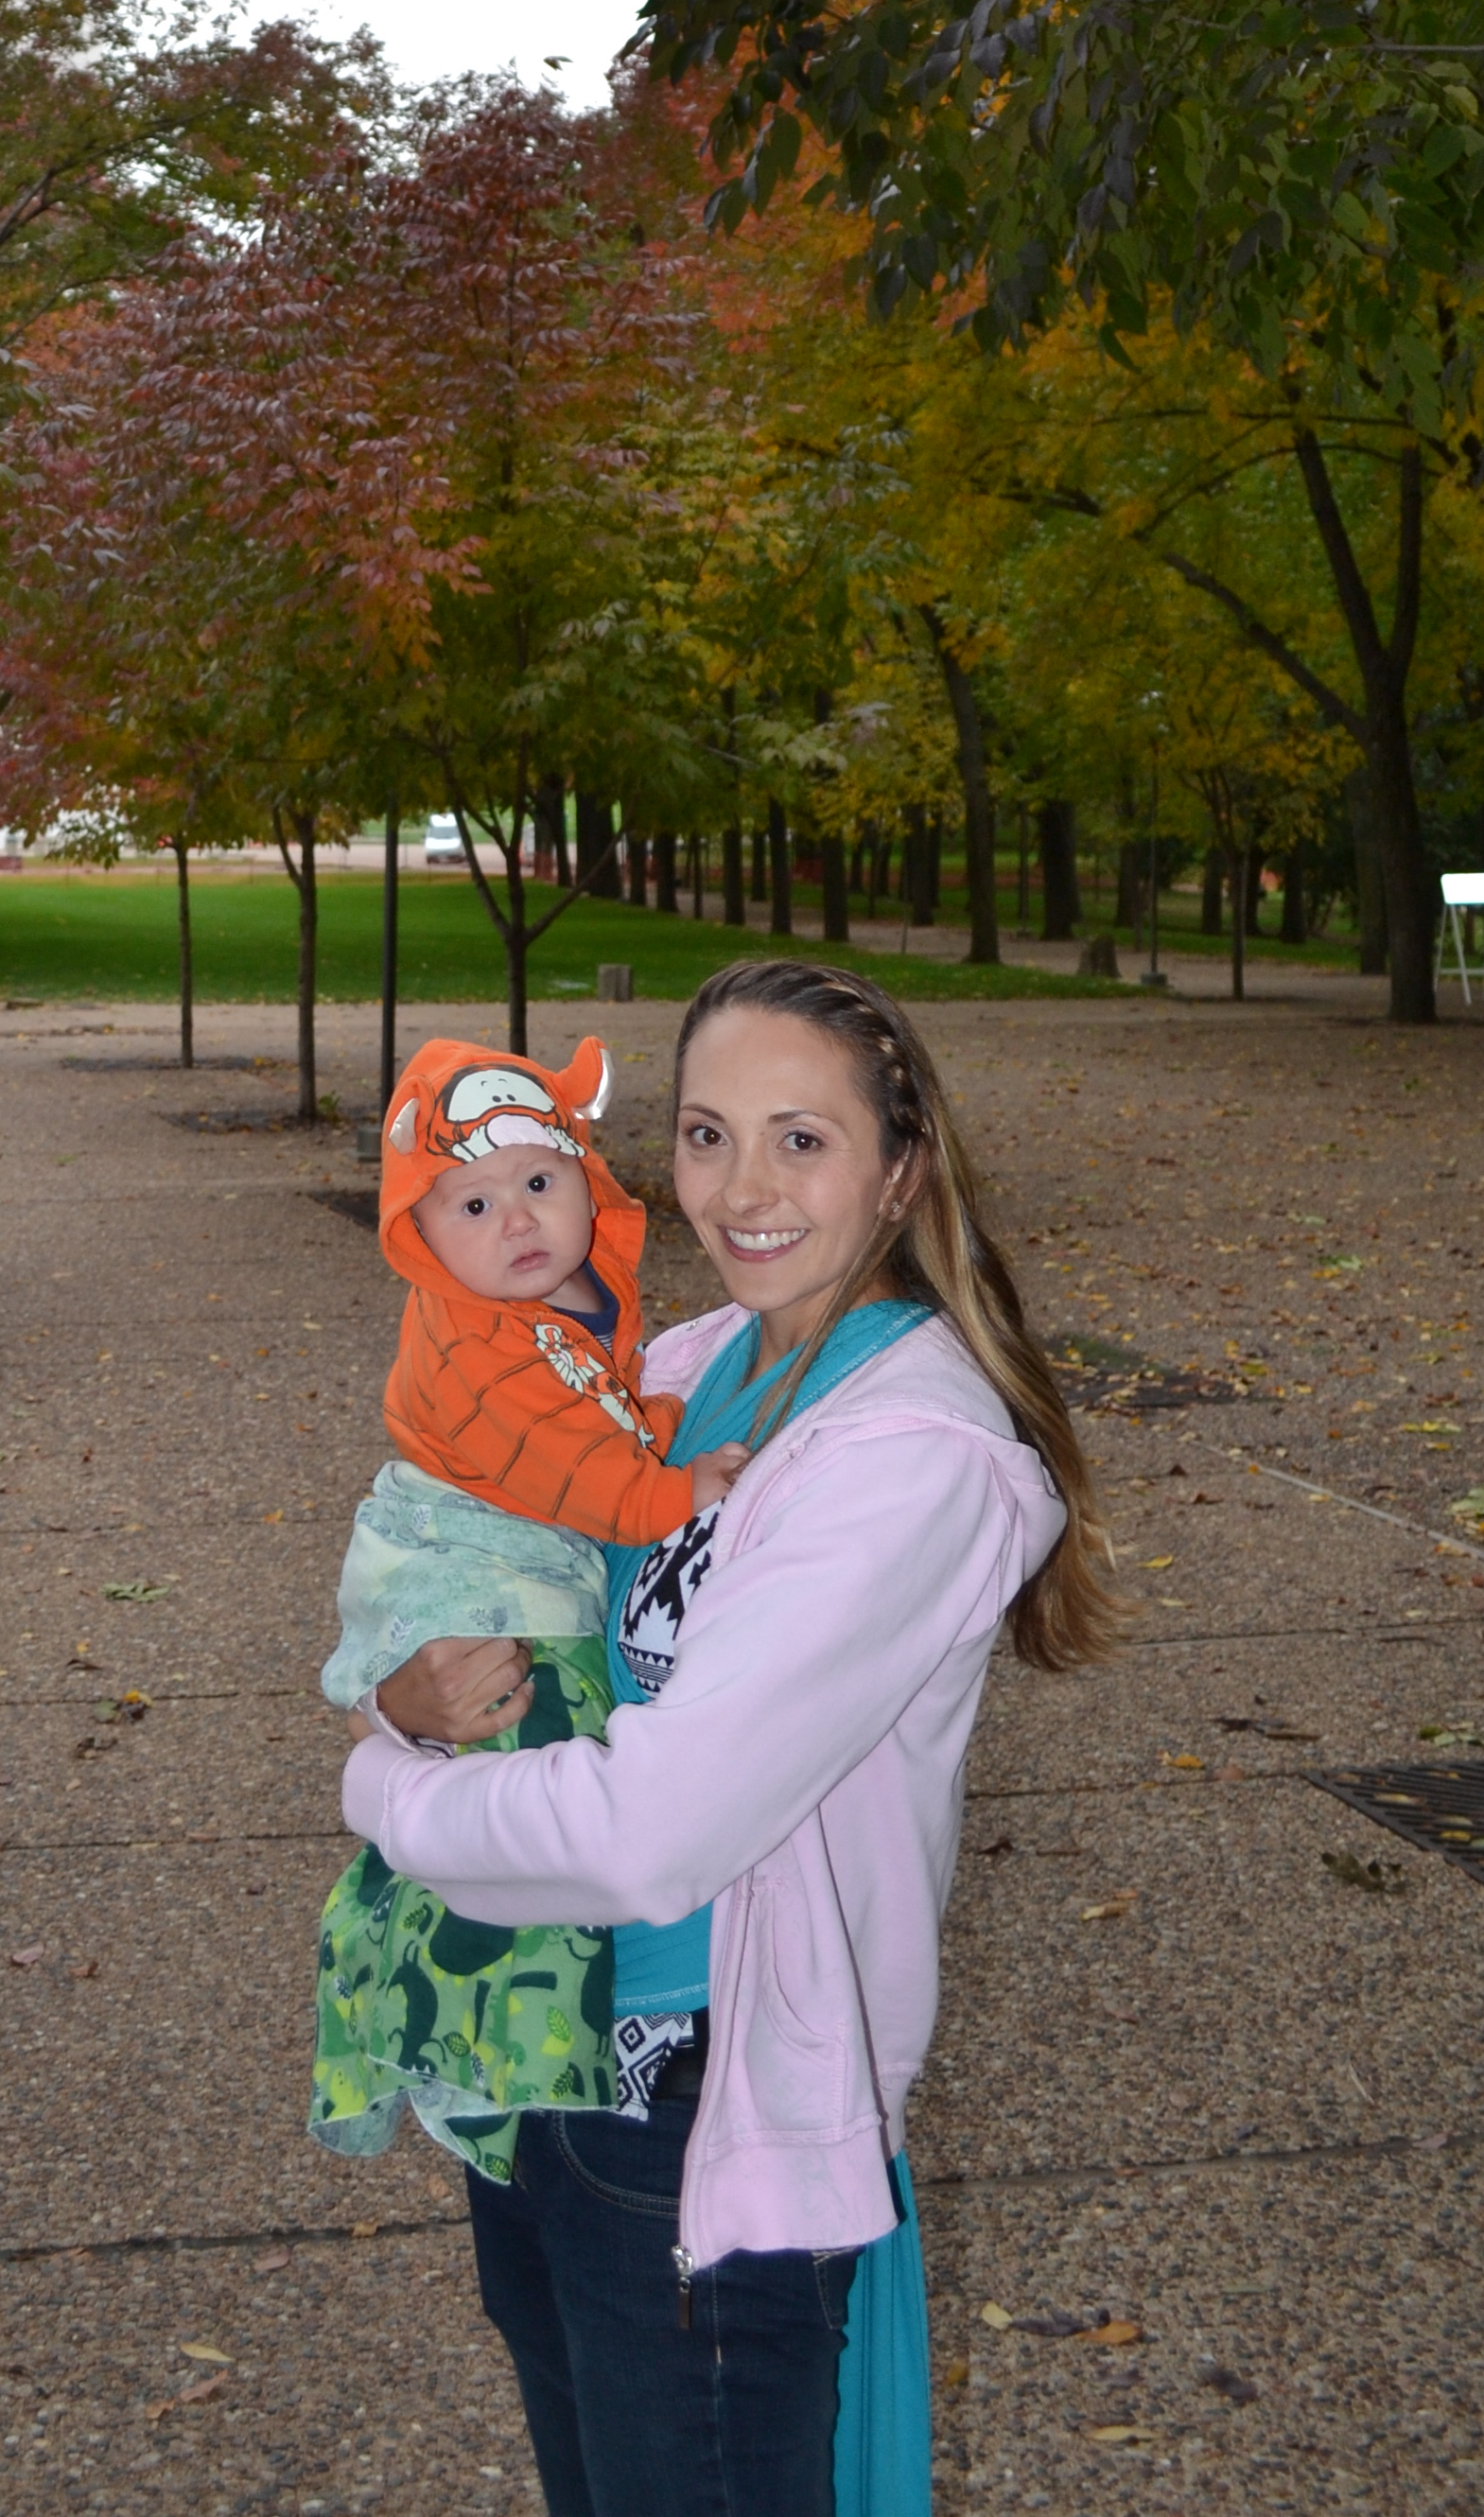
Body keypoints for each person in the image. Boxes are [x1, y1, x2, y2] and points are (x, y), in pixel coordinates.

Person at [341, 959, 1119, 2517]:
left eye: (799, 1140)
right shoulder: (687, 1370)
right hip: (540, 2046)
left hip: (699, 2116)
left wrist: (378, 1784)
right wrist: (400, 1699)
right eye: (706, 1134)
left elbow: (654, 1831)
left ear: (900, 1169)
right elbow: (476, 1586)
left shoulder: (910, 1459)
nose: (741, 1191)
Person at [312, 1036, 750, 2176]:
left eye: (541, 1182)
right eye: (473, 1203)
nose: (517, 1221)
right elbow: (580, 1474)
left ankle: (456, 2022)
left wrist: (656, 1430)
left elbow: (601, 1416)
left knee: (505, 1801)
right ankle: (454, 2045)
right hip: (468, 1559)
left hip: (515, 1553)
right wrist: (677, 1487)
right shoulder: (472, 1342)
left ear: (585, 1179)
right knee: (523, 1767)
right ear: (421, 1233)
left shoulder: (555, 1303)